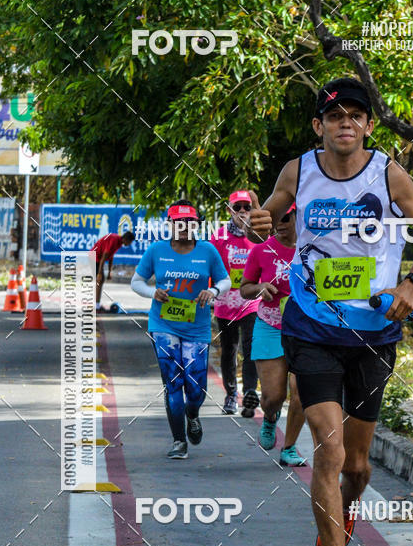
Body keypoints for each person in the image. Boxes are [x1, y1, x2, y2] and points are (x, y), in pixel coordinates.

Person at [246, 77, 413, 546]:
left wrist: (412, 285)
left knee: (357, 466)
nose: (346, 124)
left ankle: (345, 511)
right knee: (328, 455)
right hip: (310, 329)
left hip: (374, 334)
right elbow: (267, 224)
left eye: (356, 115)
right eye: (335, 116)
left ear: (369, 126)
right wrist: (260, 222)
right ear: (319, 126)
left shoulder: (388, 173)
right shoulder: (297, 171)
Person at [130, 201, 230, 458]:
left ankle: (193, 413)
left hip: (196, 328)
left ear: (197, 224)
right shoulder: (156, 250)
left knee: (196, 388)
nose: (184, 227)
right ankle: (178, 441)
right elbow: (137, 281)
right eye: (178, 222)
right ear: (170, 225)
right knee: (173, 382)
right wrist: (153, 292)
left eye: (189, 222)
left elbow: (225, 279)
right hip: (163, 325)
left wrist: (213, 291)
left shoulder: (207, 251)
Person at [240, 204, 306, 467]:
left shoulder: (315, 248)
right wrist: (260, 288)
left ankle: (289, 447)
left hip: (306, 329)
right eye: (274, 218)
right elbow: (244, 288)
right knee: (273, 396)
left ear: (297, 217)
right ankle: (270, 417)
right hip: (270, 325)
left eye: (285, 217)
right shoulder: (261, 250)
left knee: (301, 393)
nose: (279, 222)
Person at [210, 190, 261, 417]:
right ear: (229, 210)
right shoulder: (218, 237)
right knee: (229, 350)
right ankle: (231, 395)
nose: (242, 211)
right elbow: (209, 266)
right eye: (237, 207)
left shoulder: (259, 236)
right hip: (225, 303)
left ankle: (249, 394)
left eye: (246, 207)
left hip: (251, 302)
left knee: (251, 348)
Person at [91, 229, 135, 311]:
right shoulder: (114, 239)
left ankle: (97, 305)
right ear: (126, 239)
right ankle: (96, 306)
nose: (129, 244)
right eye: (130, 242)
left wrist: (109, 272)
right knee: (99, 280)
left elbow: (110, 256)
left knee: (101, 280)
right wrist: (100, 273)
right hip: (94, 256)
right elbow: (105, 256)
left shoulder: (119, 243)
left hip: (98, 258)